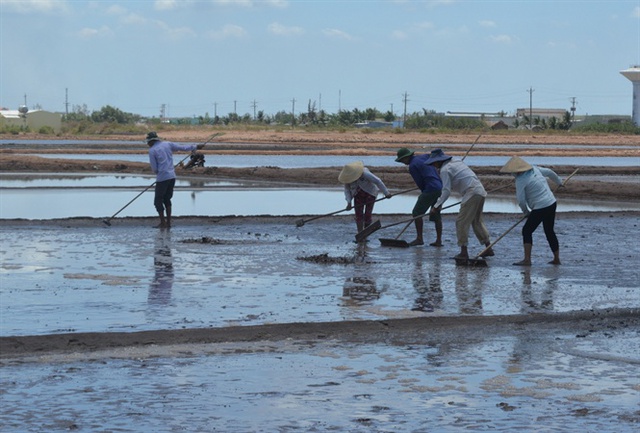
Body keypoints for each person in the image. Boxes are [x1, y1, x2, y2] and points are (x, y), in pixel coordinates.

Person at [426, 148, 494, 260]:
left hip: (471, 192)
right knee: (476, 221)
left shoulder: (445, 169)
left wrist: (436, 206)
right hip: (480, 191)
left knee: (461, 222)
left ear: (438, 161)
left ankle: (463, 252)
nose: (434, 166)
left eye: (434, 163)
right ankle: (488, 248)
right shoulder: (456, 161)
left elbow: (446, 191)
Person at [500, 156, 564, 266]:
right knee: (549, 231)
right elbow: (549, 172)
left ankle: (527, 260)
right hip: (551, 203)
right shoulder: (535, 169)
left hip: (541, 207)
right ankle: (556, 258)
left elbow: (521, 200)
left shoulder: (520, 180)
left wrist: (526, 212)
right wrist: (559, 181)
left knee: (526, 231)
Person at [146, 131, 204, 229]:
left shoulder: (152, 150)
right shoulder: (167, 144)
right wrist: (195, 146)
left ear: (151, 141)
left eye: (148, 142)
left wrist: (159, 174)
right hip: (172, 176)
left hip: (162, 177)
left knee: (158, 201)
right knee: (167, 199)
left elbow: (154, 169)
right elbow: (182, 148)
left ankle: (162, 223)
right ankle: (168, 223)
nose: (147, 144)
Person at [395, 148, 443, 247]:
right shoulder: (424, 156)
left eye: (403, 160)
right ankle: (438, 240)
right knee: (436, 212)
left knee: (417, 213)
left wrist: (425, 192)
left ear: (407, 157)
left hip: (430, 188)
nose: (403, 163)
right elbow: (433, 158)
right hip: (440, 186)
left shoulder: (412, 166)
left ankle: (419, 239)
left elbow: (420, 183)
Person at [338, 161, 392, 234]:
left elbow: (378, 181)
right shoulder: (347, 179)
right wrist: (349, 202)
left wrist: (386, 193)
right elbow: (347, 191)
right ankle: (360, 233)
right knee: (358, 214)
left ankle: (366, 233)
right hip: (357, 195)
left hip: (370, 193)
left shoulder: (364, 173)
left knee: (367, 214)